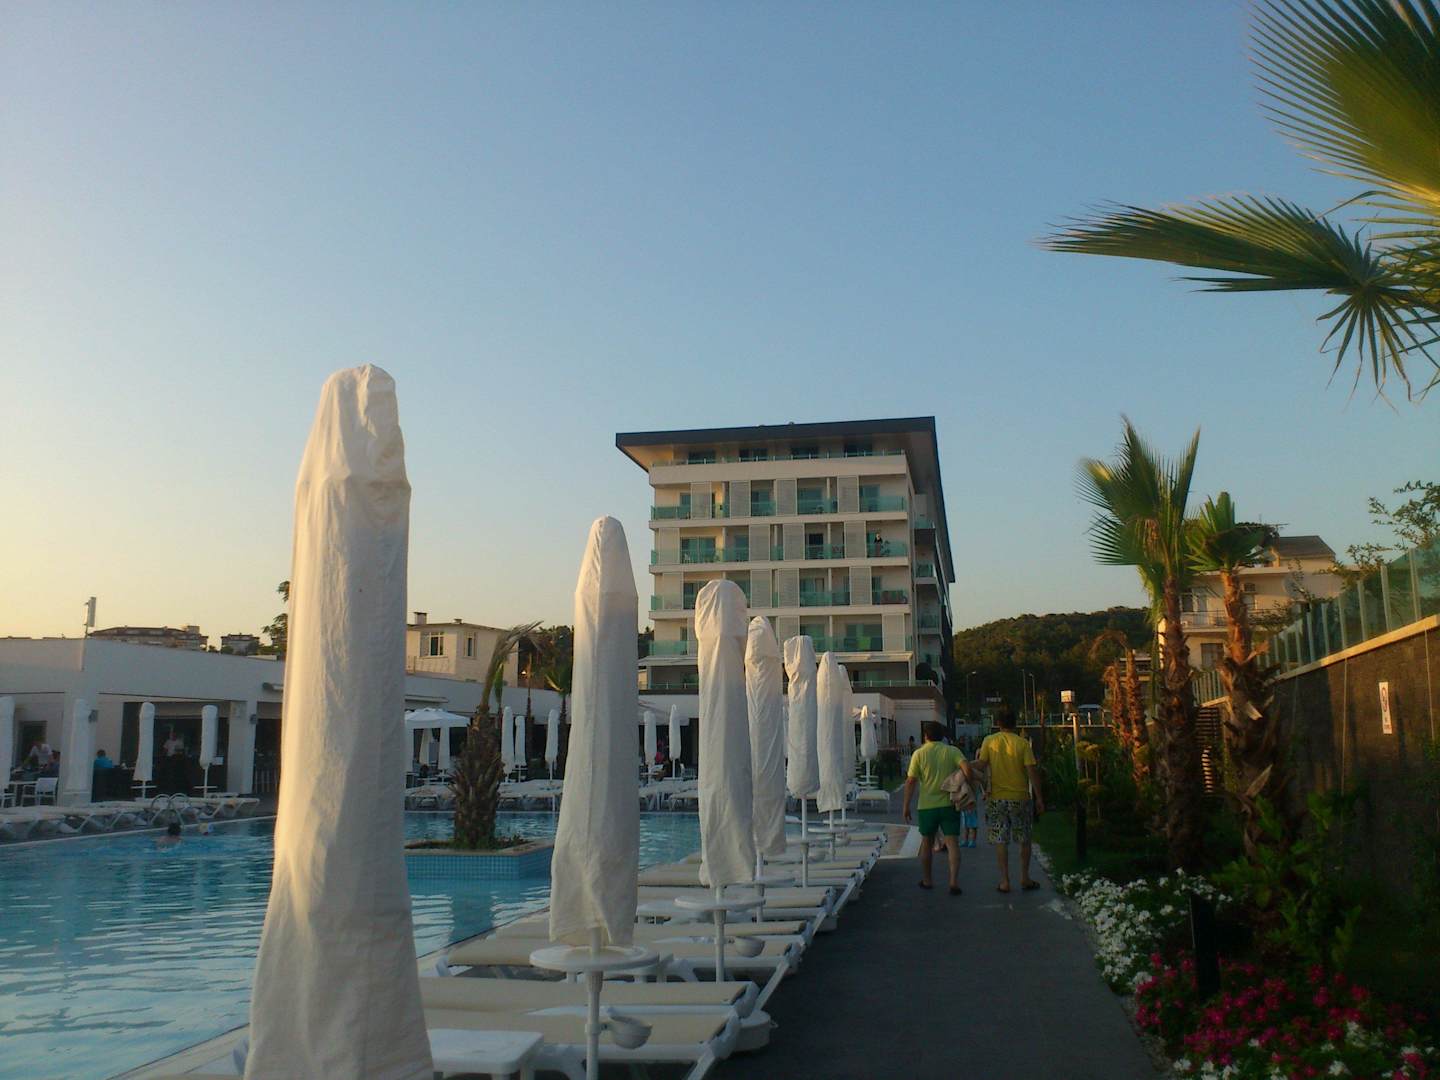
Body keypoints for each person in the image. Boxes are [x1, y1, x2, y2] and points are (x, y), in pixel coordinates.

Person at [968, 709, 1044, 893]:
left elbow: (981, 764)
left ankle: (1004, 881)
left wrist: (964, 766)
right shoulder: (1023, 743)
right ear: (1015, 724)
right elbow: (1031, 772)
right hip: (1020, 798)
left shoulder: (989, 741)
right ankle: (1024, 878)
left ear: (998, 723)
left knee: (1000, 840)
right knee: (1024, 839)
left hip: (996, 798)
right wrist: (1039, 798)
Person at [900, 720, 971, 896]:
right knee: (952, 843)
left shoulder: (919, 754)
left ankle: (927, 880)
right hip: (949, 804)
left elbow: (911, 781)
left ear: (925, 736)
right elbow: (967, 769)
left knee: (927, 843)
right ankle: (953, 881)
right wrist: (966, 787)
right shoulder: (952, 751)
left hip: (927, 806)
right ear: (942, 735)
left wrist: (906, 805)